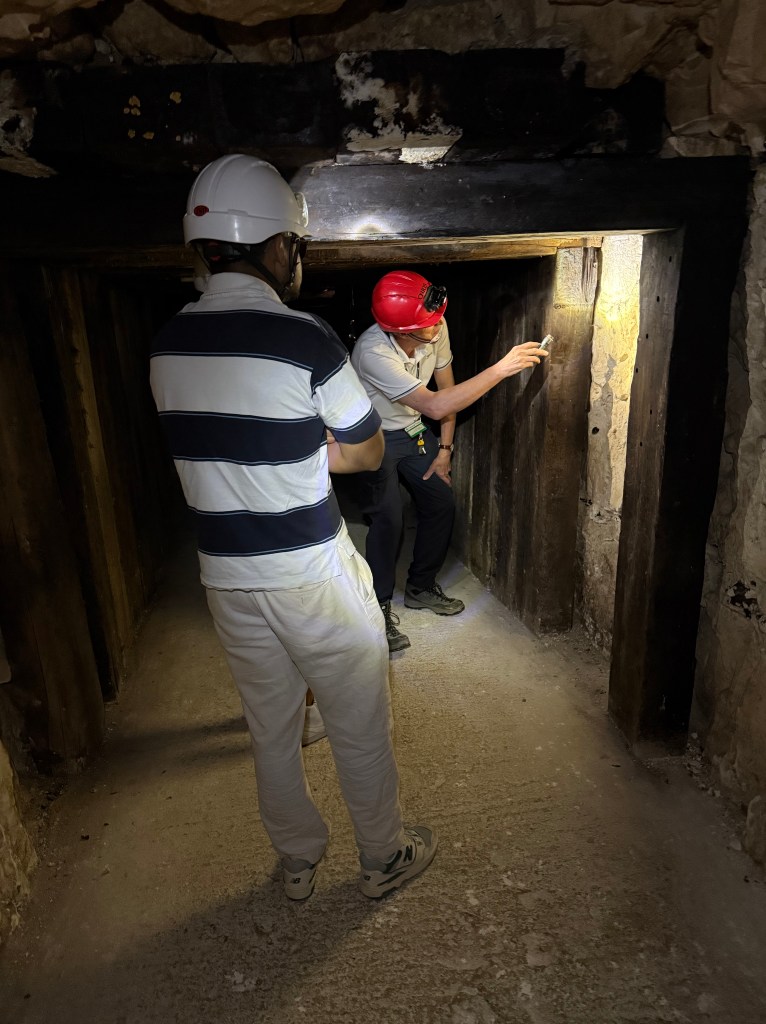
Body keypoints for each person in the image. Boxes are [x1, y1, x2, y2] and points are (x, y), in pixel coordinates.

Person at [150, 155, 436, 900]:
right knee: (359, 719)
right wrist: (309, 451)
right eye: (294, 246)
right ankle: (383, 858)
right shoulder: (304, 336)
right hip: (309, 570)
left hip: (226, 577)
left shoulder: (167, 343)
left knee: (271, 725)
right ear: (279, 246)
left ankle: (299, 858)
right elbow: (365, 450)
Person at [351, 270, 548, 653]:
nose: (438, 324)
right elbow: (436, 404)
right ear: (402, 332)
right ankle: (379, 606)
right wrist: (501, 368)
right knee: (388, 518)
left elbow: (449, 392)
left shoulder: (434, 329)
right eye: (427, 323)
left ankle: (421, 588)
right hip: (373, 437)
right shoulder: (372, 352)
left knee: (441, 503)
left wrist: (444, 451)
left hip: (412, 431)